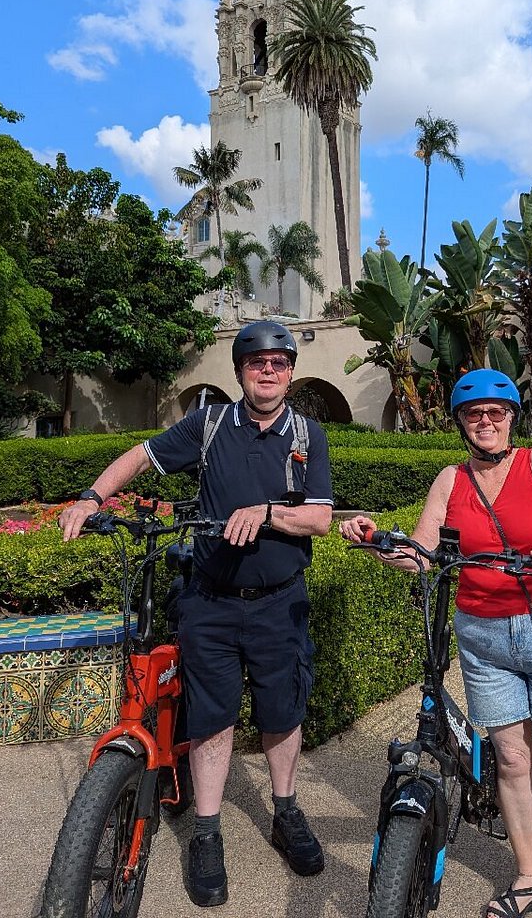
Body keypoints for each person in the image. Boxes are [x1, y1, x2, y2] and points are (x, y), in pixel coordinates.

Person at [59, 320, 333, 908]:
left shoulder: (306, 433)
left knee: (282, 710)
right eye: (257, 362)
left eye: (279, 362)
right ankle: (206, 831)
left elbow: (318, 519)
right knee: (211, 716)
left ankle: (285, 810)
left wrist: (264, 513)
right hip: (209, 601)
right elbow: (141, 455)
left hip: (279, 600)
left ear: (289, 371)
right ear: (239, 371)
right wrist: (91, 496)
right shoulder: (209, 425)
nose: (269, 370)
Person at [340, 369, 532, 918]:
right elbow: (421, 553)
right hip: (483, 638)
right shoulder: (451, 479)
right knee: (512, 761)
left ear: (512, 418)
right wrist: (375, 541)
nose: (486, 421)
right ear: (461, 423)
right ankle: (528, 878)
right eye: (474, 414)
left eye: (497, 412)